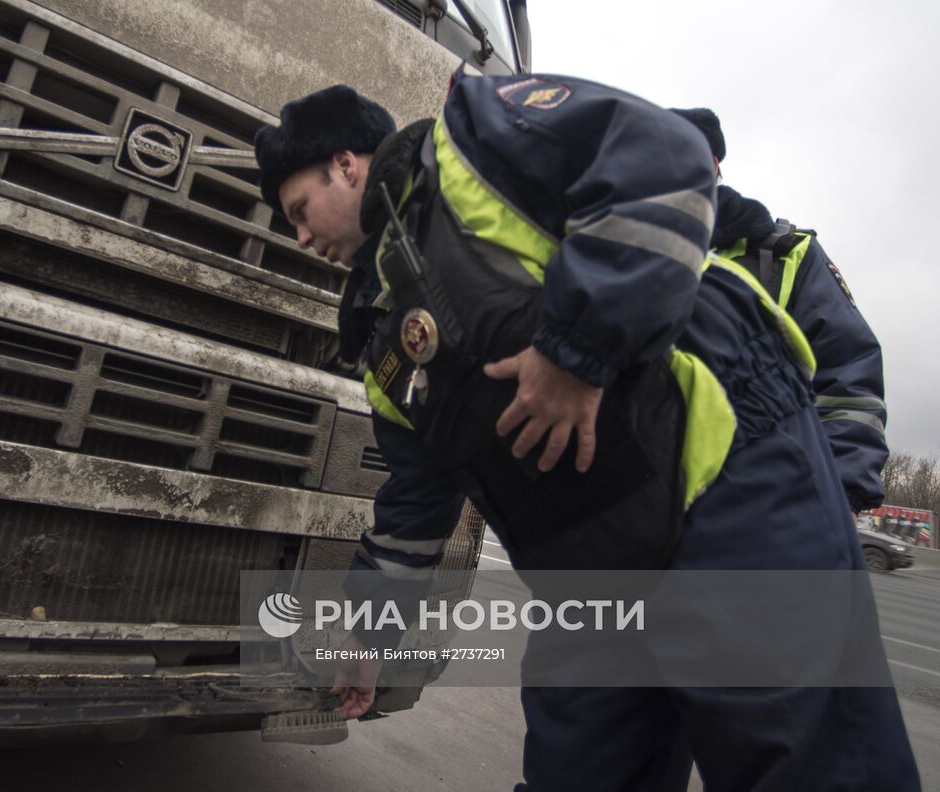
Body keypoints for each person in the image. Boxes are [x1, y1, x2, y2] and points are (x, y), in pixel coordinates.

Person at [254, 74, 919, 791]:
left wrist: (576, 352)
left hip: (726, 490)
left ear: (346, 164)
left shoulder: (474, 137)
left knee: (811, 767)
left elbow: (666, 154)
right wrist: (368, 636)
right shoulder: (380, 339)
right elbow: (416, 504)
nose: (298, 235)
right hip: (591, 568)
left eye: (298, 208)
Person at [671, 107, 889, 513]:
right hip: (637, 522)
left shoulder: (788, 256)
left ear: (713, 166)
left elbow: (849, 384)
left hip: (763, 516)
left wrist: (835, 495)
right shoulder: (615, 256)